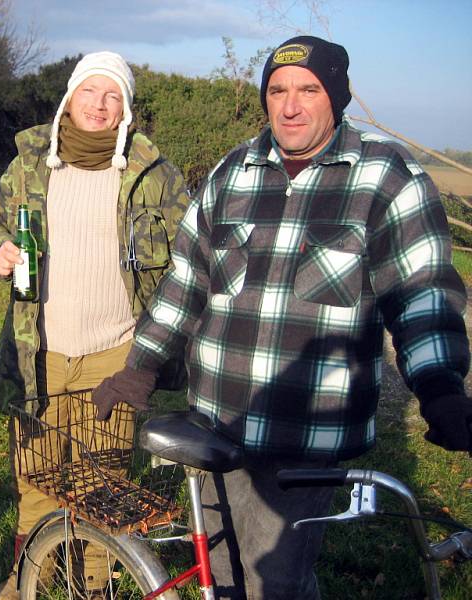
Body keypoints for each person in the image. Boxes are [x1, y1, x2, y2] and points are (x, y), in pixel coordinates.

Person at [94, 35, 472, 599]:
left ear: (337, 97)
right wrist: (142, 367)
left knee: (277, 582)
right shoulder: (233, 173)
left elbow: (421, 294)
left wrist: (440, 388)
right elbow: (186, 281)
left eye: (308, 89)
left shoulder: (385, 178)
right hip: (218, 422)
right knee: (222, 576)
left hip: (308, 435)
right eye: (277, 90)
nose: (290, 105)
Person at [0, 51, 190, 599]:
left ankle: (93, 585)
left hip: (115, 353)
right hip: (38, 353)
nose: (99, 105)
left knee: (105, 482)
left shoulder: (153, 175)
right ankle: (31, 580)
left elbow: (193, 252)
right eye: (89, 91)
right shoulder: (29, 165)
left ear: (127, 109)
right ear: (70, 97)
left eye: (113, 95)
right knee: (37, 481)